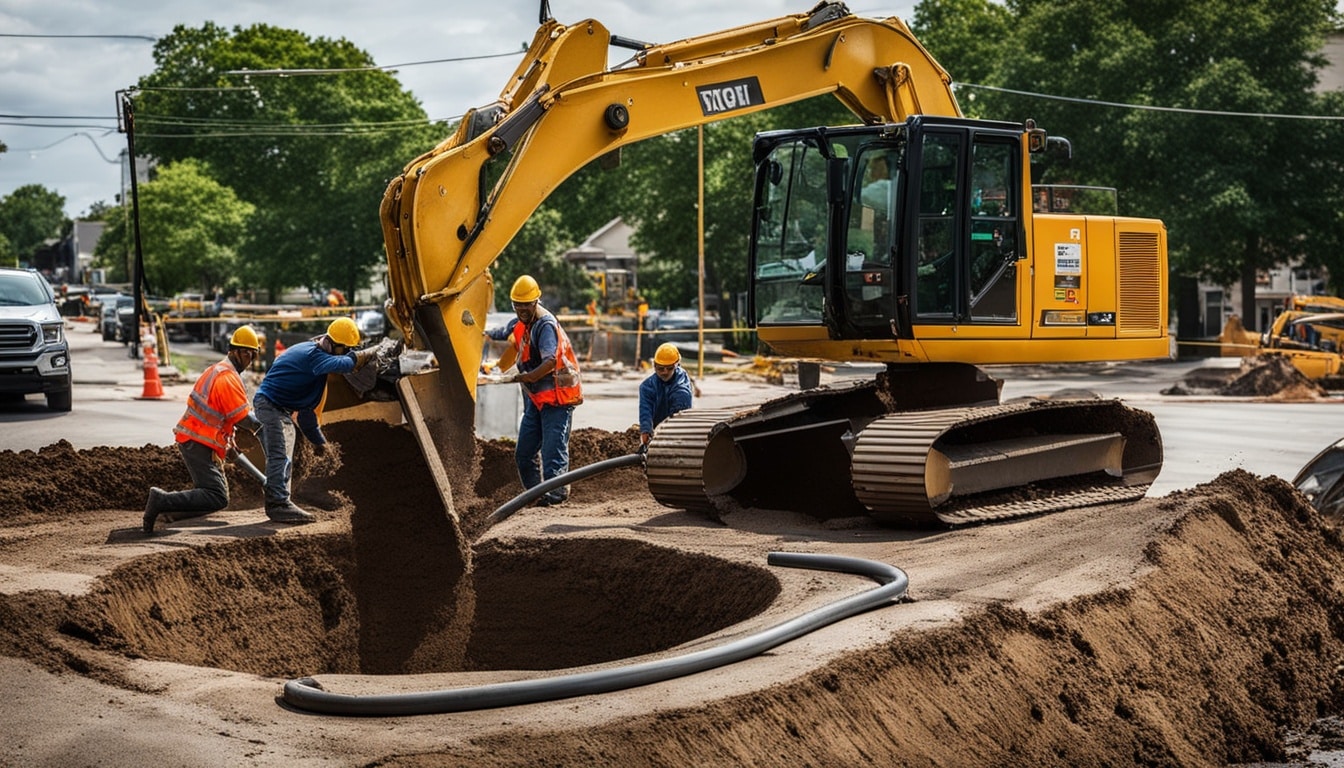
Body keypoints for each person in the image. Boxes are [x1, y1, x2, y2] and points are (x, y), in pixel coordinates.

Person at [252, 316, 378, 522]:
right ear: (334, 344)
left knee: (284, 452)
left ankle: (279, 497)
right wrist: (367, 353)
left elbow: (307, 416)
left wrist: (320, 443)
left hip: (276, 407)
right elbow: (345, 364)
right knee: (281, 453)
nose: (346, 353)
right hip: (270, 407)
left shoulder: (315, 361)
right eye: (345, 349)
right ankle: (278, 504)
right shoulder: (313, 356)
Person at [142, 326, 264, 535]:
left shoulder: (220, 370)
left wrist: (260, 478)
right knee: (217, 496)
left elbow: (222, 416)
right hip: (197, 441)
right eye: (246, 353)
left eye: (253, 354)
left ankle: (171, 514)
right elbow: (243, 418)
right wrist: (266, 428)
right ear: (233, 351)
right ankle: (161, 499)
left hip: (198, 439)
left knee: (212, 494)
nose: (249, 359)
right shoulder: (227, 377)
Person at [485, 275, 583, 506]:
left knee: (552, 452)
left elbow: (550, 361)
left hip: (557, 399)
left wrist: (526, 376)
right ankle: (535, 495)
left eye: (525, 305)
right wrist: (481, 331)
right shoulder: (521, 323)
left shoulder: (545, 325)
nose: (521, 310)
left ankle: (556, 497)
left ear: (536, 302)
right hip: (537, 399)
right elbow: (502, 332)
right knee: (524, 453)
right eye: (516, 305)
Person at [638, 342, 694, 449]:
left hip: (679, 431)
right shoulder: (646, 387)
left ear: (677, 365)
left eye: (669, 368)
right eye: (661, 368)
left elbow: (678, 421)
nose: (665, 372)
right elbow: (645, 410)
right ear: (654, 366)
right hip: (657, 424)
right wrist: (646, 430)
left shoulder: (681, 389)